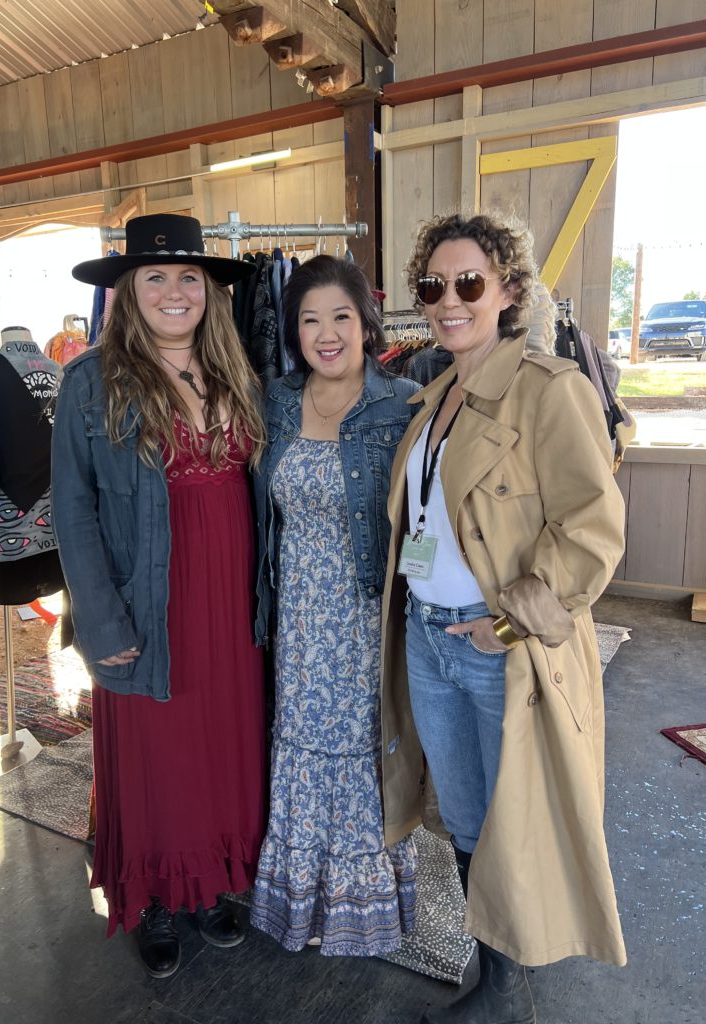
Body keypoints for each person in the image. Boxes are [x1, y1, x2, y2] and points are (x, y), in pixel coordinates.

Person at [379, 211, 627, 1024]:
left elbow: (591, 530)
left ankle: (511, 989)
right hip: (429, 637)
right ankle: (495, 966)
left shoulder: (552, 392)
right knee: (464, 814)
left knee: (515, 814)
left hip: (496, 648)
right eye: (432, 286)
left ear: (508, 290)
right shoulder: (434, 397)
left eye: (468, 283)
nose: (448, 300)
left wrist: (513, 623)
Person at [51, 214, 267, 979]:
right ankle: (157, 900)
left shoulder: (239, 371)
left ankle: (209, 888)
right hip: (148, 605)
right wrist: (100, 621)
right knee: (155, 760)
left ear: (208, 290)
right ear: (127, 291)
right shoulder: (89, 382)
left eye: (188, 278)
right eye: (156, 278)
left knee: (219, 753)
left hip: (231, 605)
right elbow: (71, 512)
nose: (175, 292)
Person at [250, 254, 420, 955]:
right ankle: (305, 904)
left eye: (340, 317)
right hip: (297, 614)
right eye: (309, 319)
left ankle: (365, 909)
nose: (325, 333)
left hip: (364, 614)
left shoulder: (404, 401)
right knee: (300, 743)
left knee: (362, 747)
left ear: (366, 324)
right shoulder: (276, 401)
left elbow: (429, 514)